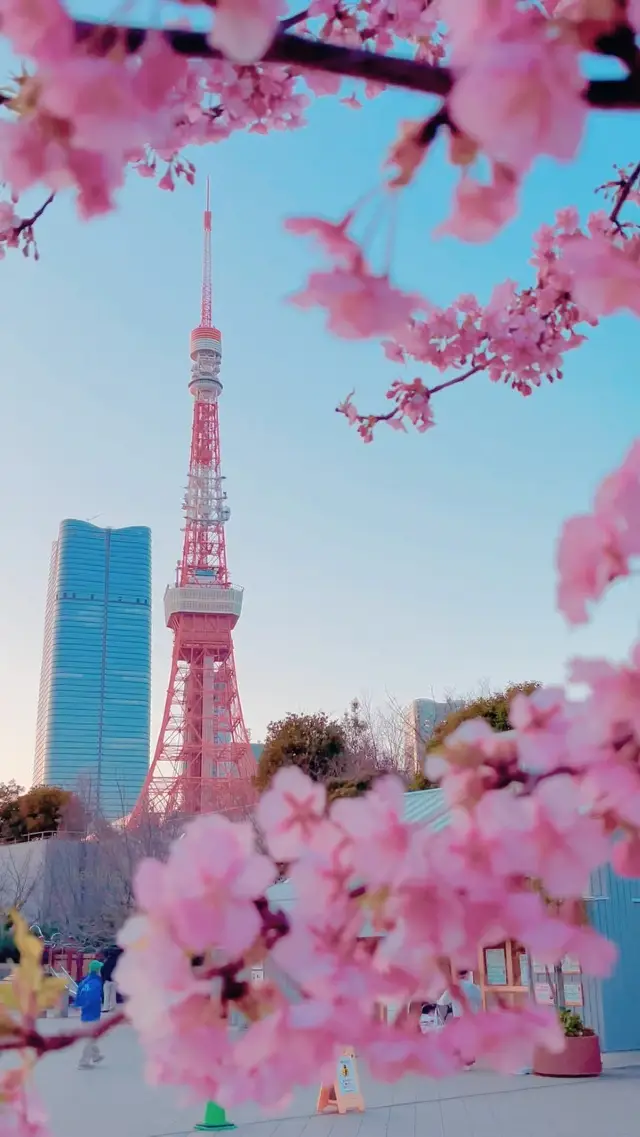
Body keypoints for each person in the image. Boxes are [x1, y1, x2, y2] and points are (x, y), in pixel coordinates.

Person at [74, 960, 105, 1069]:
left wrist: (79, 1005)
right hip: (93, 1013)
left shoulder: (84, 982)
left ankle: (96, 1055)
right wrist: (97, 1003)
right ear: (97, 971)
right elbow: (95, 997)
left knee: (91, 1036)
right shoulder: (96, 982)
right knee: (90, 1038)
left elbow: (78, 996)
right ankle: (83, 1062)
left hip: (85, 1013)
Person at [101, 945, 122, 1013]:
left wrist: (103, 978)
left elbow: (103, 970)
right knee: (113, 994)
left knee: (106, 994)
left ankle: (105, 1007)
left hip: (107, 980)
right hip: (114, 980)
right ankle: (113, 1006)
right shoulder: (117, 962)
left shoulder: (107, 961)